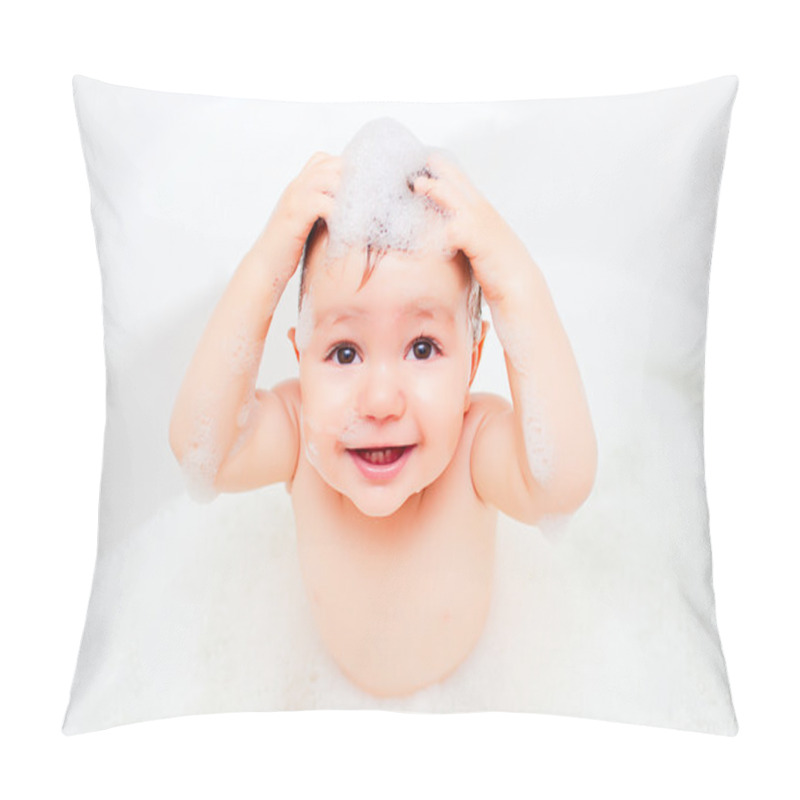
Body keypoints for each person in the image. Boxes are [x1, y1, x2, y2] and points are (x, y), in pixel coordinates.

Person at [169, 131, 597, 698]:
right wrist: (267, 262)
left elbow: (559, 484)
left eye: (423, 348)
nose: (379, 402)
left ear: (472, 364)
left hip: (467, 707)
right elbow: (205, 451)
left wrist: (512, 279)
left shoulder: (475, 448)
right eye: (344, 353)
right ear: (300, 359)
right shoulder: (300, 433)